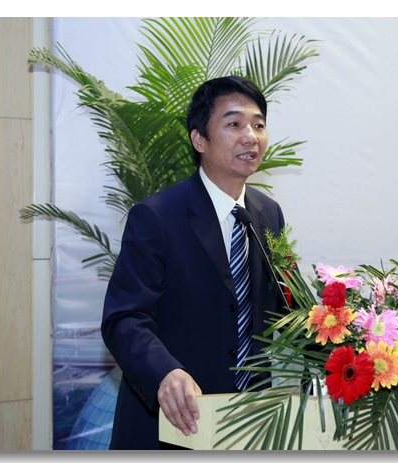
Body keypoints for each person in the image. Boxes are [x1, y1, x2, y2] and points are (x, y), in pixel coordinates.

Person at [101, 76, 287, 450]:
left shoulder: (268, 214)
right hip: (174, 423)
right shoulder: (156, 216)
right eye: (234, 124)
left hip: (251, 423)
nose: (250, 137)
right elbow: (124, 319)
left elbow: (284, 305)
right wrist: (165, 372)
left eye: (258, 125)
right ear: (199, 139)